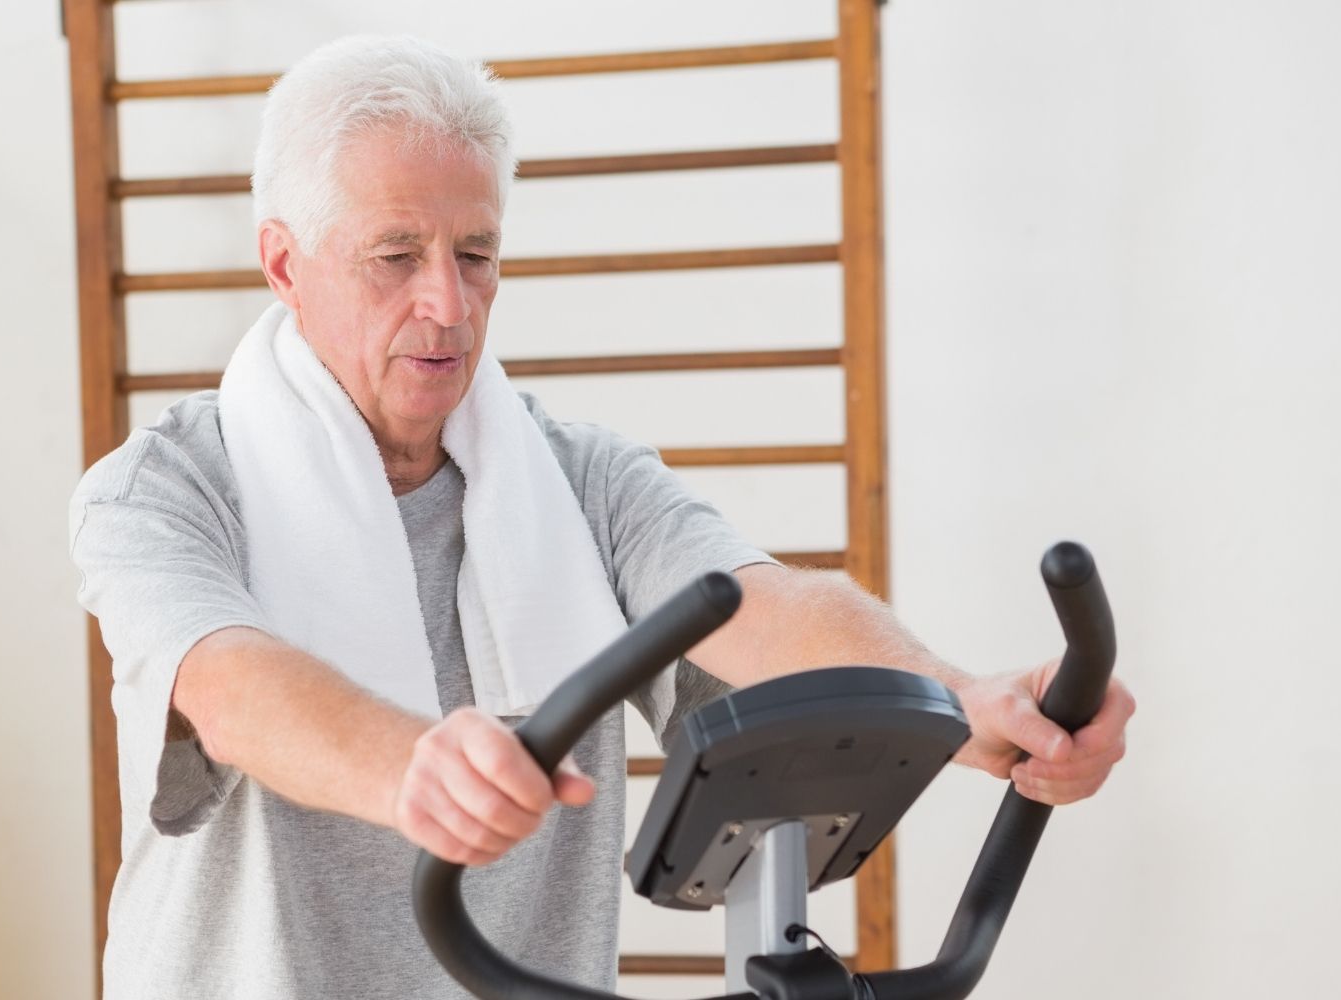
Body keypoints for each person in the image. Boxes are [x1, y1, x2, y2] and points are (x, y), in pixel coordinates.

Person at [68, 33, 1136, 1000]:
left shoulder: (578, 479)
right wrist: (412, 766)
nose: (448, 303)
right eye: (395, 256)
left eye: (476, 254)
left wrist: (963, 703)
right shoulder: (163, 486)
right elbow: (226, 682)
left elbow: (764, 607)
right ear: (284, 264)